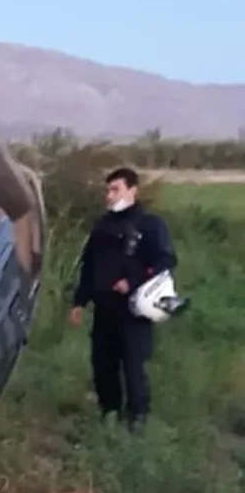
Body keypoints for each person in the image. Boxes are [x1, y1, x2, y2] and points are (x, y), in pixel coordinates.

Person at [69, 167, 178, 432]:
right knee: (103, 364)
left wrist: (133, 282)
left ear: (133, 190)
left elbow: (166, 261)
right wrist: (79, 302)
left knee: (132, 365)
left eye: (115, 189)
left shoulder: (150, 224)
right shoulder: (102, 226)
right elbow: (89, 266)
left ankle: (137, 418)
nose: (109, 195)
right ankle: (109, 412)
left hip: (134, 310)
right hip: (104, 308)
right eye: (107, 190)